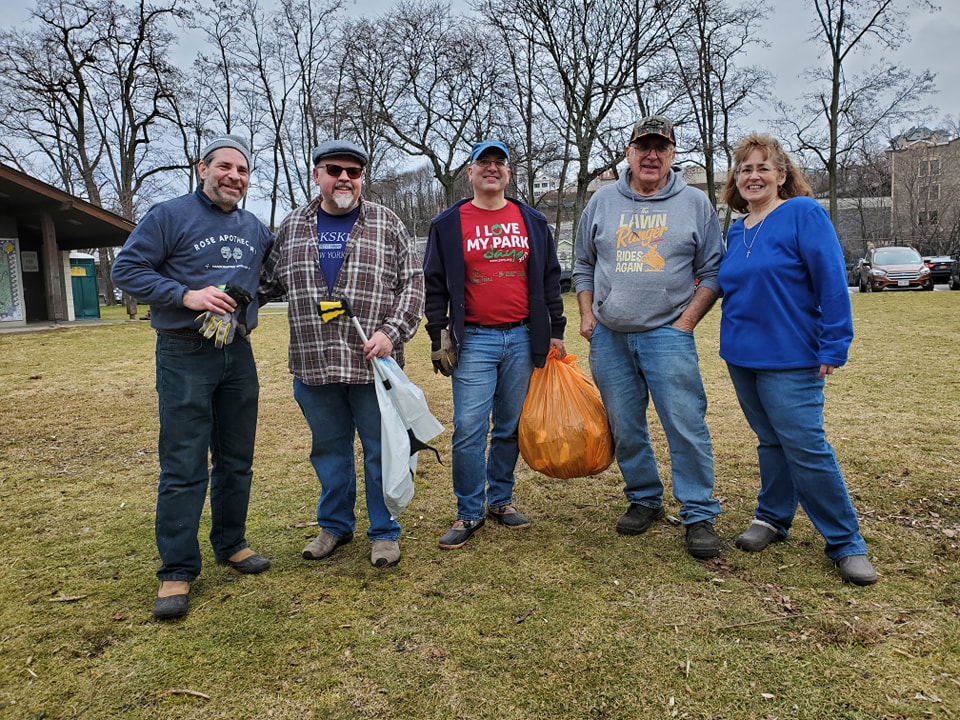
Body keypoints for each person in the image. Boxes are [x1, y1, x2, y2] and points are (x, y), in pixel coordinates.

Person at [112, 134, 275, 620]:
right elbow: (126, 268)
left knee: (237, 456)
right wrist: (187, 295)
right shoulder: (169, 215)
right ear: (201, 167)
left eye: (243, 171)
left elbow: (268, 278)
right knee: (183, 463)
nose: (234, 177)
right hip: (184, 351)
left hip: (236, 352)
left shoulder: (254, 227)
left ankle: (232, 543)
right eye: (225, 166)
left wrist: (251, 302)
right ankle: (177, 570)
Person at [718, 133, 877, 585]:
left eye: (762, 167)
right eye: (744, 169)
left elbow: (831, 279)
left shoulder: (802, 214)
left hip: (791, 356)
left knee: (806, 447)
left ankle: (846, 543)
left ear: (781, 176)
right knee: (770, 440)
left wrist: (834, 342)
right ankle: (772, 517)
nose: (753, 176)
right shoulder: (735, 229)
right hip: (740, 355)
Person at [258, 139, 424, 569]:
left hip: (372, 366)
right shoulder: (292, 227)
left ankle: (384, 531)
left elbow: (413, 286)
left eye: (353, 171)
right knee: (329, 450)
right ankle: (334, 525)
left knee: (380, 450)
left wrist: (391, 333)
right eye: (334, 170)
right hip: (314, 364)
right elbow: (264, 284)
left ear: (362, 177)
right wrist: (217, 298)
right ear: (318, 175)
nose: (344, 178)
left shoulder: (387, 225)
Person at [573, 115, 724, 559]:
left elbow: (713, 270)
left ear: (673, 155)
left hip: (667, 334)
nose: (652, 155)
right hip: (610, 336)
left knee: (685, 424)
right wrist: (587, 314)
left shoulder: (695, 204)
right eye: (644, 147)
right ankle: (644, 499)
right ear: (629, 153)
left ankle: (698, 513)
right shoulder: (601, 202)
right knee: (625, 426)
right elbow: (583, 263)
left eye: (661, 148)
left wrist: (686, 323)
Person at [423, 139, 567, 550]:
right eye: (482, 162)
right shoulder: (448, 224)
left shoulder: (532, 221)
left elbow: (550, 281)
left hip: (523, 336)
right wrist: (439, 333)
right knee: (469, 428)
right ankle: (468, 510)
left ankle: (499, 500)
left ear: (508, 173)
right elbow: (434, 285)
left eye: (498, 162)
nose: (491, 168)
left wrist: (555, 330)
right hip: (475, 341)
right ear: (469, 173)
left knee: (508, 427)